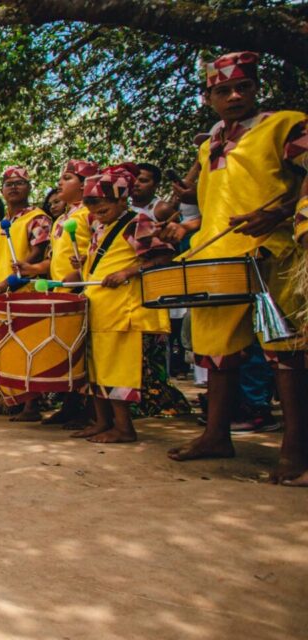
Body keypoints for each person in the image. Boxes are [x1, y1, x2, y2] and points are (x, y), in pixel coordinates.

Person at [169, 52, 308, 488]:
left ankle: (296, 450)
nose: (234, 96)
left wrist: (283, 211)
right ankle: (215, 435)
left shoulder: (285, 124)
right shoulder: (209, 142)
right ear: (208, 97)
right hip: (217, 257)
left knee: (286, 353)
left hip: (272, 251)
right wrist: (189, 224)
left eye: (243, 87)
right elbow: (217, 205)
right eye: (223, 90)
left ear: (255, 88)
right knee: (215, 353)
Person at [60, 164, 176, 442]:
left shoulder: (137, 223)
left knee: (117, 370)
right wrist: (83, 264)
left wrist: (127, 272)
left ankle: (124, 427)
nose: (97, 215)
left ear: (122, 200)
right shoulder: (101, 226)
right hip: (97, 308)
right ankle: (102, 422)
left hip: (122, 310)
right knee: (96, 368)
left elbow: (163, 256)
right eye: (93, 210)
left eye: (103, 208)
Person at [0, 166, 53, 421]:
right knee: (6, 349)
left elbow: (36, 255)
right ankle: (15, 400)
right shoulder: (0, 226)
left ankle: (32, 405)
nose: (13, 187)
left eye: (19, 183)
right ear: (2, 191)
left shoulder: (39, 218)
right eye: (8, 183)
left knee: (28, 347)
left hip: (24, 288)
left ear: (29, 187)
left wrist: (10, 281)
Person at [41, 159, 101, 427]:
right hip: (62, 289)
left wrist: (77, 277)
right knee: (68, 349)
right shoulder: (63, 218)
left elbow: (95, 254)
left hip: (84, 290)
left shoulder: (92, 213)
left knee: (86, 351)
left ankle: (89, 409)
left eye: (67, 178)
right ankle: (70, 404)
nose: (60, 183)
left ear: (84, 183)